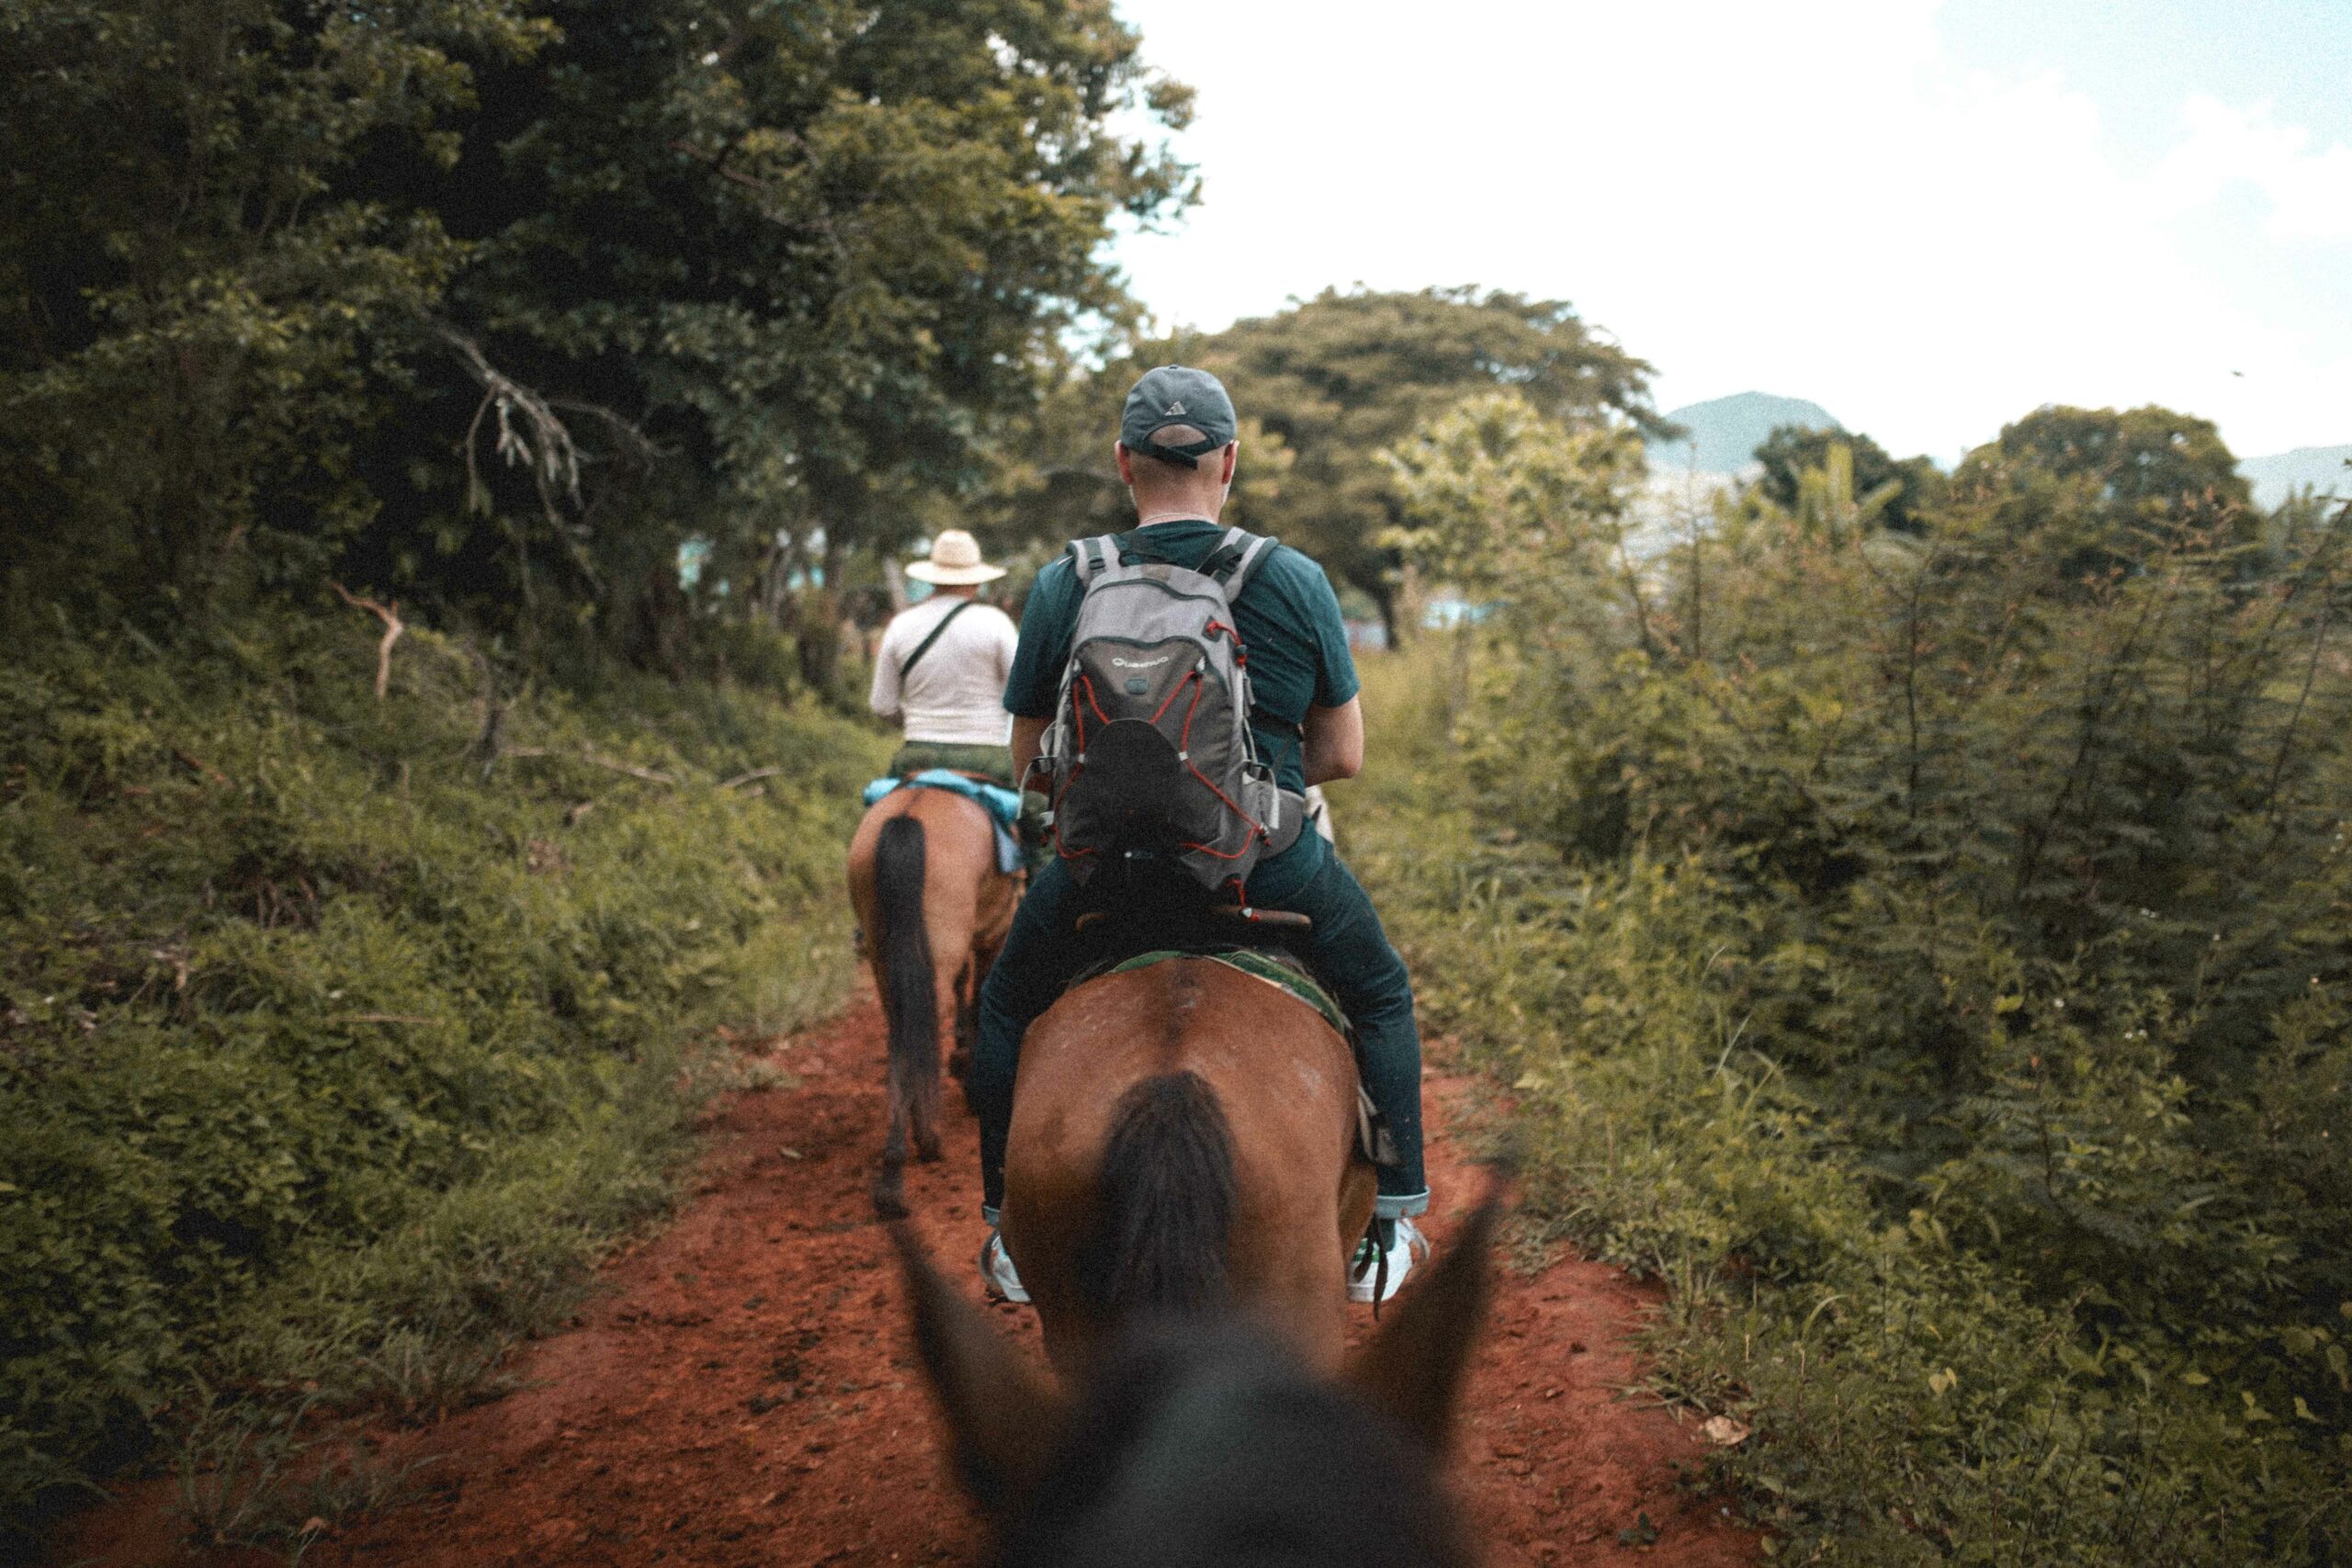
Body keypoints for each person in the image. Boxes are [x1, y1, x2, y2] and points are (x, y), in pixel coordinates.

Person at [974, 365, 1430, 1304]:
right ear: (1229, 461)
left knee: (1009, 1000)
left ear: (1122, 463)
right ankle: (1389, 1223)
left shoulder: (1069, 580)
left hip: (1101, 875)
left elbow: (1028, 758)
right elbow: (1341, 753)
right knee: (1380, 987)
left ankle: (1005, 1235)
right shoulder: (1290, 577)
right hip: (1266, 864)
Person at [867, 530, 1022, 787]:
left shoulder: (901, 625)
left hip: (917, 754)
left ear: (932, 578)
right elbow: (1021, 691)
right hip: (986, 755)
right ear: (977, 581)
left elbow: (883, 705)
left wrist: (923, 723)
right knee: (1036, 816)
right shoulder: (996, 623)